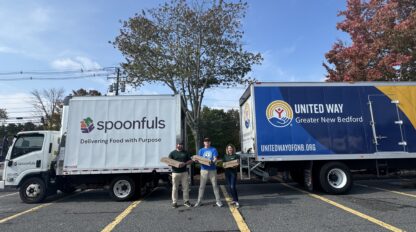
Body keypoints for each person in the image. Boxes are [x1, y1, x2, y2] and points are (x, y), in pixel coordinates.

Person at [194, 137, 222, 207]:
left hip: (212, 169)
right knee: (201, 186)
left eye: (208, 141)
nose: (207, 142)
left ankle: (218, 201)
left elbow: (215, 158)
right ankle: (199, 201)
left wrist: (213, 161)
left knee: (215, 185)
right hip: (203, 170)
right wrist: (196, 160)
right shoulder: (201, 150)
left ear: (210, 142)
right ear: (204, 143)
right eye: (205, 141)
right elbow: (198, 159)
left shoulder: (213, 149)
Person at [168, 142, 193, 208]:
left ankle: (186, 201)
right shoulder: (172, 153)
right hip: (175, 173)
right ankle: (174, 202)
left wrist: (184, 163)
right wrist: (176, 164)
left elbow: (190, 161)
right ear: (176, 145)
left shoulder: (186, 152)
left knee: (185, 188)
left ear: (182, 146)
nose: (180, 146)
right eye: (179, 145)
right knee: (175, 188)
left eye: (181, 145)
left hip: (184, 172)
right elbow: (168, 163)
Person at [223, 144, 240, 208]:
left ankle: (236, 201)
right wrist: (224, 165)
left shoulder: (236, 156)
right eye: (228, 148)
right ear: (227, 149)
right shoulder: (225, 156)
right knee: (230, 187)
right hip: (227, 173)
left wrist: (234, 165)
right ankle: (234, 199)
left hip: (233, 173)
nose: (230, 149)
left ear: (233, 149)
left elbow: (237, 164)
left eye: (231, 148)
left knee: (233, 186)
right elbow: (224, 164)